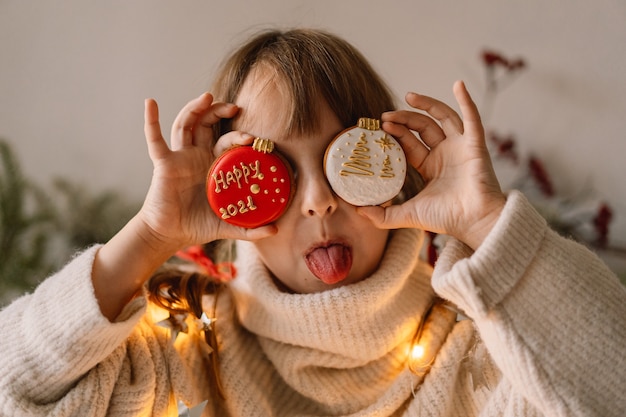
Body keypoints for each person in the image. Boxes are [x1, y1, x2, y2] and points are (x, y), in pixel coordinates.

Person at [1, 28, 625, 417]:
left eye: (345, 160)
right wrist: (151, 236)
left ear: (394, 166)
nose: (318, 202)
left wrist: (488, 226)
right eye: (274, 173)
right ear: (227, 193)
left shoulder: (481, 355)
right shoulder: (176, 350)